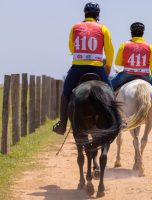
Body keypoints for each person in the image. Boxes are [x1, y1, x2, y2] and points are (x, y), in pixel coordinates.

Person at [53, 2, 114, 135]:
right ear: (97, 15)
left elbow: (71, 47)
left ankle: (62, 125)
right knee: (110, 92)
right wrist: (107, 66)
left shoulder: (75, 27)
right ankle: (116, 120)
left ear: (85, 13)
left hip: (78, 67)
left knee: (65, 94)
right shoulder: (103, 29)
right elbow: (109, 51)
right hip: (97, 67)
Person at [111, 22, 152, 91]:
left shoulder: (124, 45)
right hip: (144, 76)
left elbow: (117, 63)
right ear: (142, 34)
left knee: (109, 87)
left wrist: (128, 64)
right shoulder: (150, 47)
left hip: (126, 74)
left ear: (131, 33)